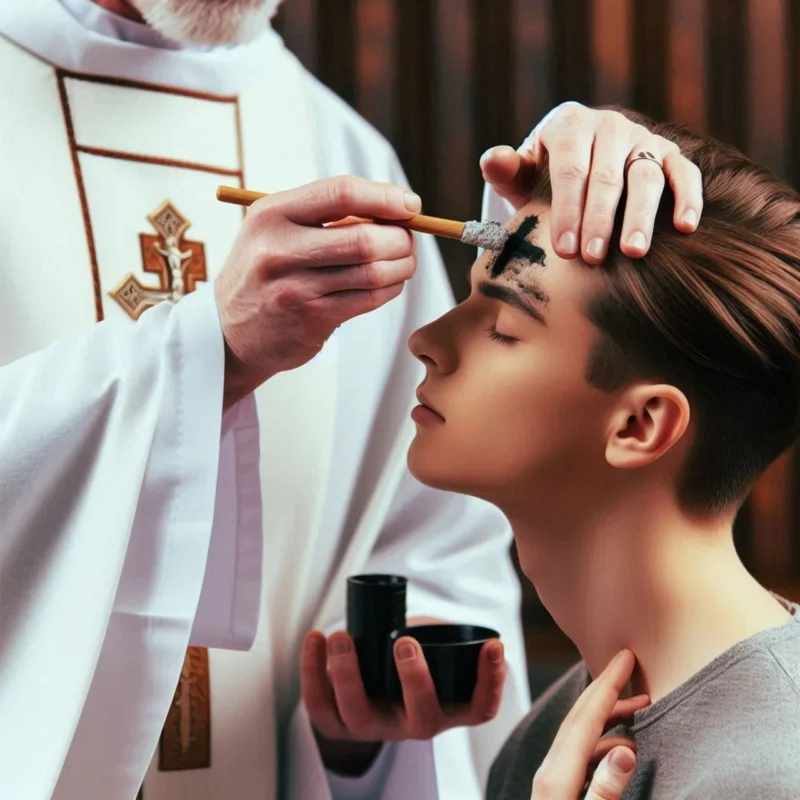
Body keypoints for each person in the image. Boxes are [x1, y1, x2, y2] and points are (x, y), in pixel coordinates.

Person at [0, 0, 703, 793]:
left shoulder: (335, 144)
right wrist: (205, 354)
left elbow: (428, 545)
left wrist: (365, 714)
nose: (427, 345)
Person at [406, 110, 800, 799]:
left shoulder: (770, 774)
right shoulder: (550, 737)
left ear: (642, 425)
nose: (429, 340)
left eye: (501, 324)